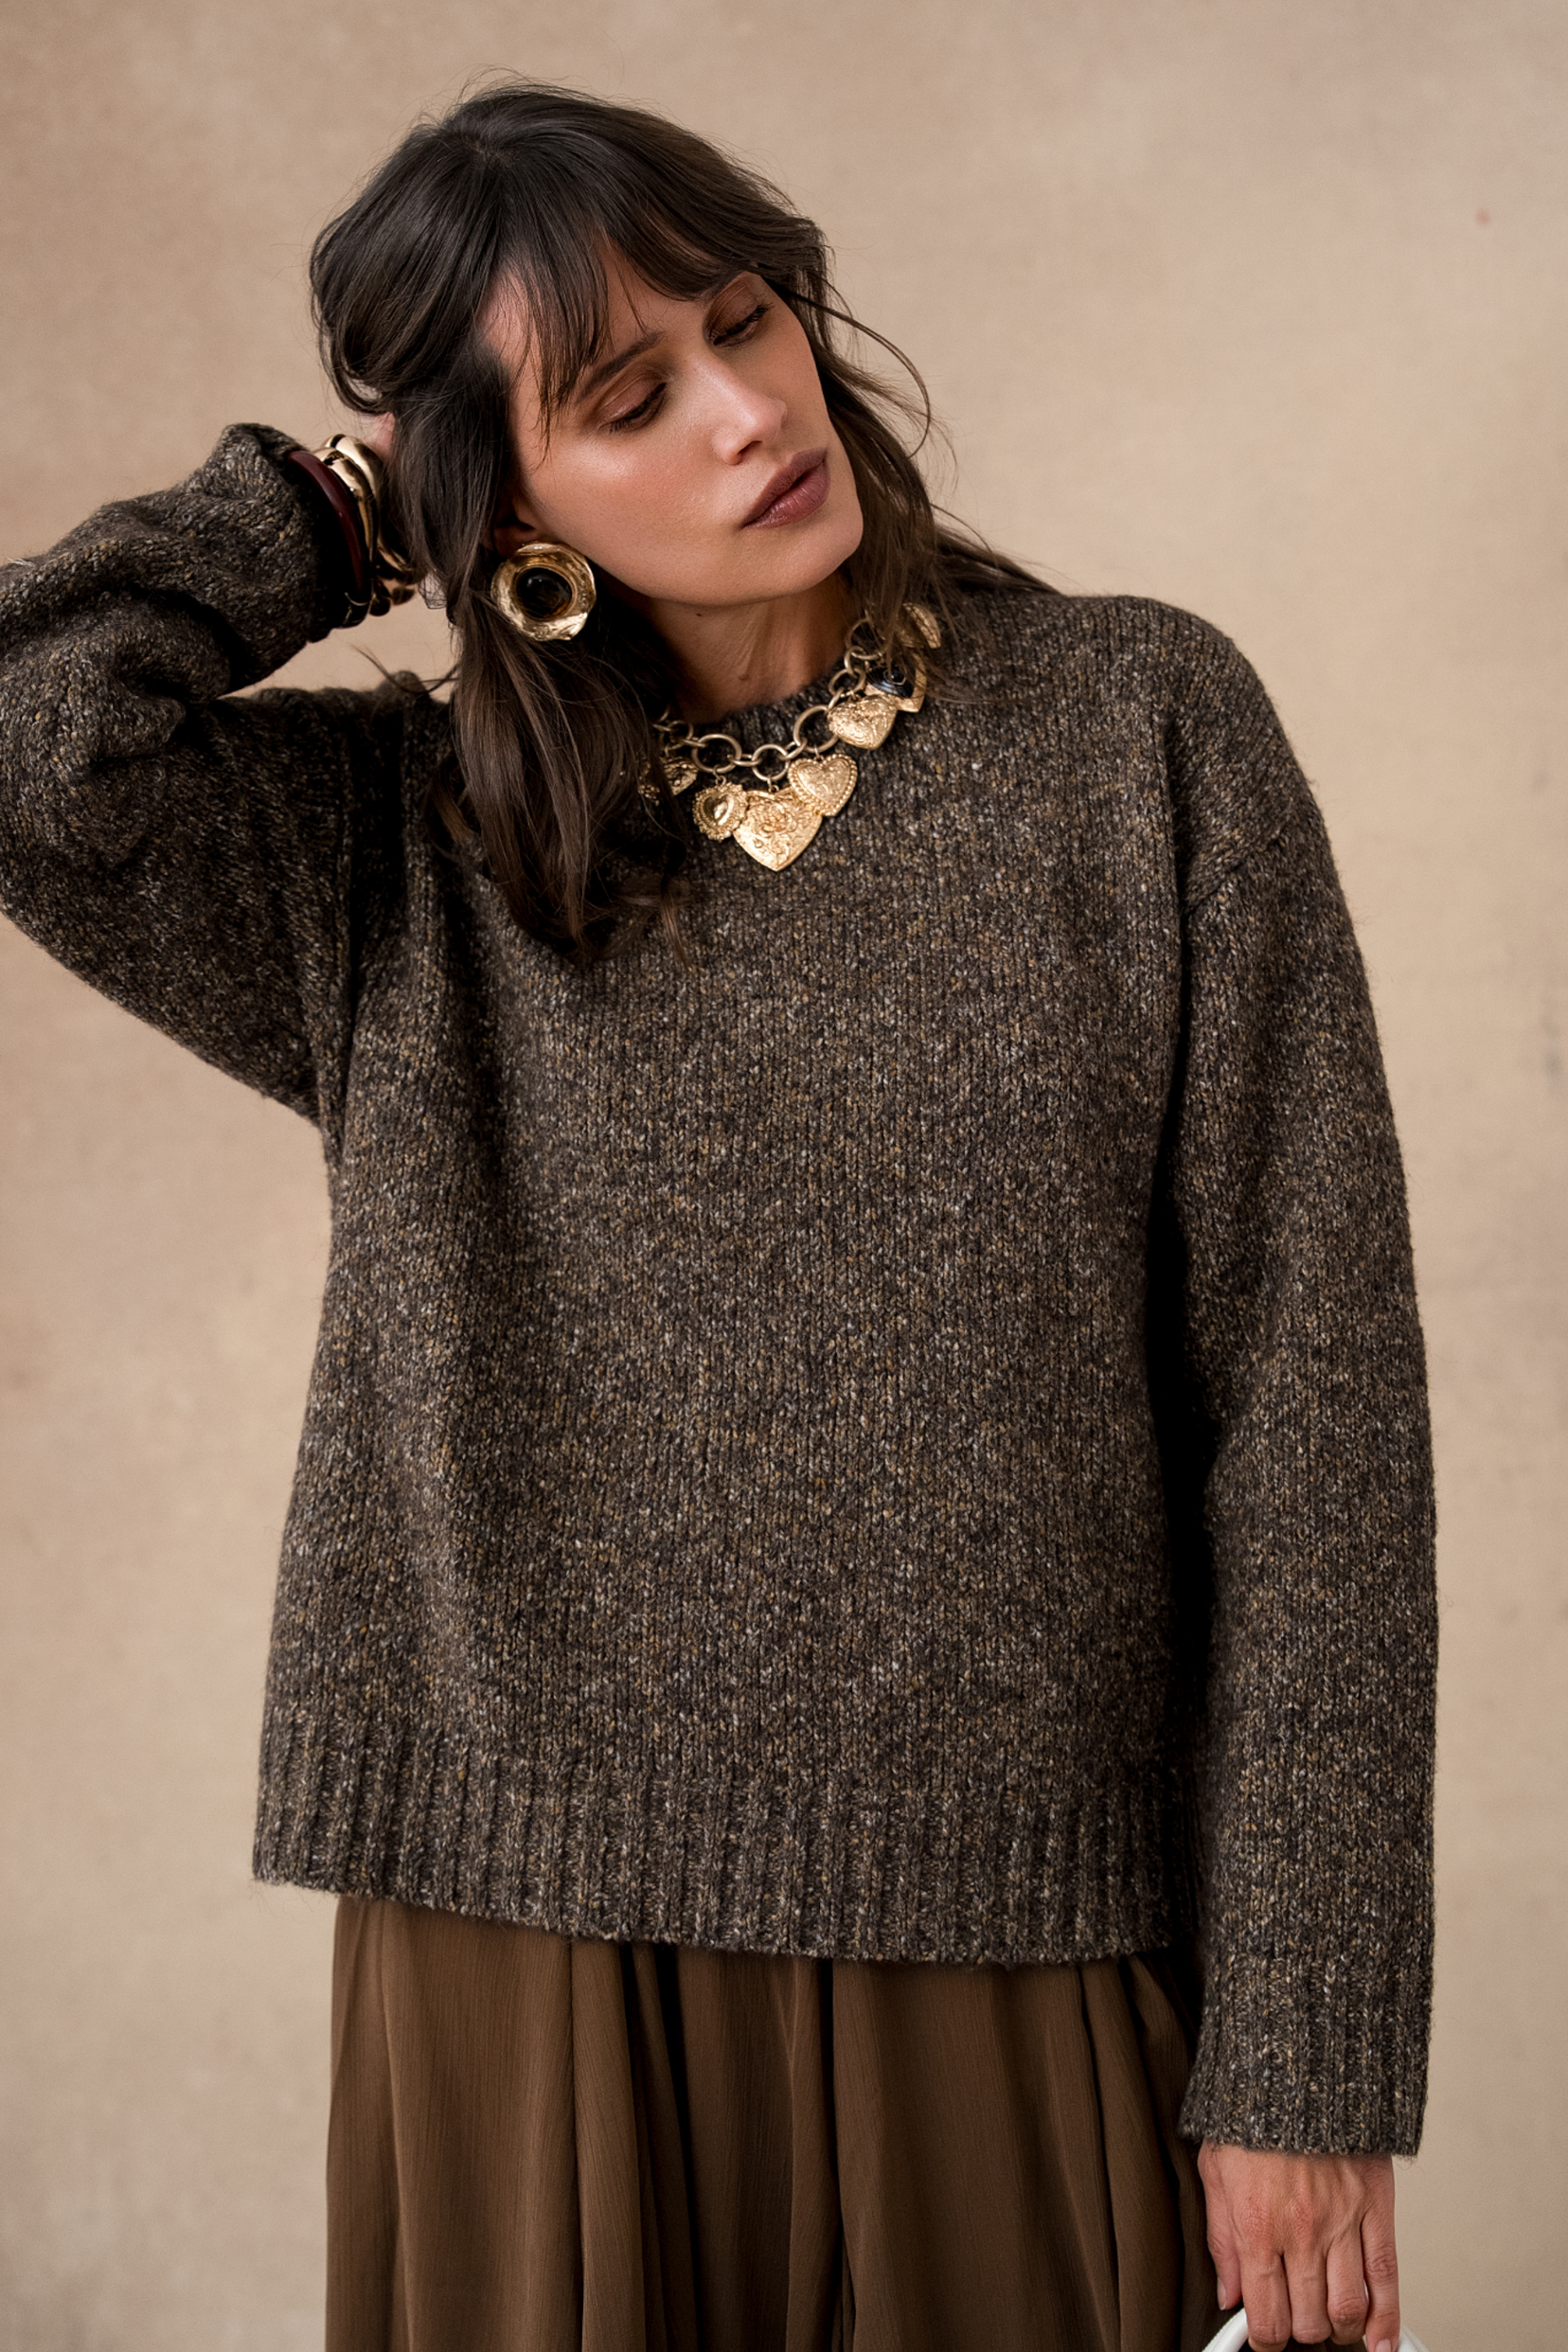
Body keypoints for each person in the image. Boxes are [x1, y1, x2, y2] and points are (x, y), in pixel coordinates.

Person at [0, 80, 1435, 2352]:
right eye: (626, 397)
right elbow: (30, 736)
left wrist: (1307, 2050)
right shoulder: (400, 857)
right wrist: (337, 512)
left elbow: (1316, 1422)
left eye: (745, 321)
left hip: (1018, 1936)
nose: (751, 412)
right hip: (519, 1959)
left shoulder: (1140, 730)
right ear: (510, 508)